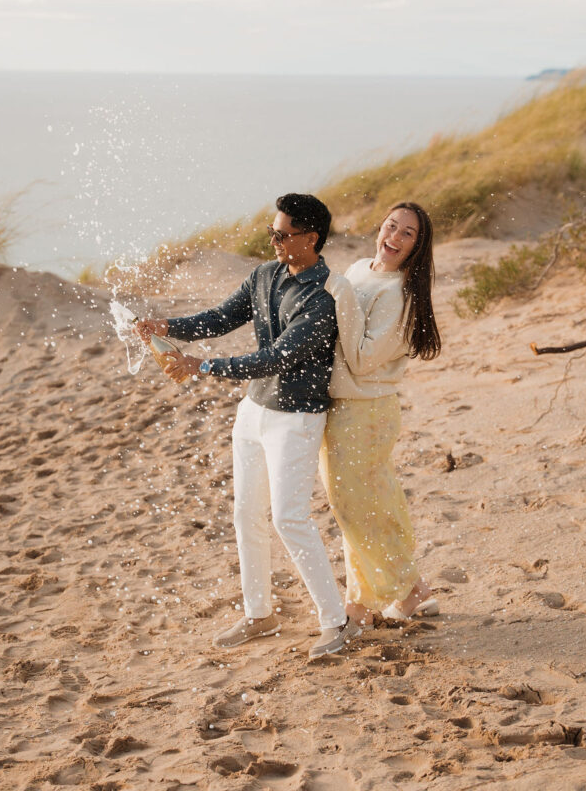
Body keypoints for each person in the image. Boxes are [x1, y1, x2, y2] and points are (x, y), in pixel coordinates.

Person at [135, 193, 360, 659]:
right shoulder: (264, 275)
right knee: (245, 515)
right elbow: (220, 317)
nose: (273, 240)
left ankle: (336, 621)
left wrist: (200, 367)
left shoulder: (323, 298)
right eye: (272, 232)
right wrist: (167, 325)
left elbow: (274, 358)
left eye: (282, 234)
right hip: (253, 413)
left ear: (310, 238)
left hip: (296, 418)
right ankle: (259, 614)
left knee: (289, 518)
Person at [319, 201, 442, 627]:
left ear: (417, 247)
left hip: (366, 411)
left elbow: (362, 358)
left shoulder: (398, 294)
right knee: (363, 506)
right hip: (343, 408)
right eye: (391, 226)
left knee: (355, 507)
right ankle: (376, 598)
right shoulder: (357, 269)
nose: (394, 237)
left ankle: (398, 592)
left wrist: (340, 293)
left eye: (407, 233)